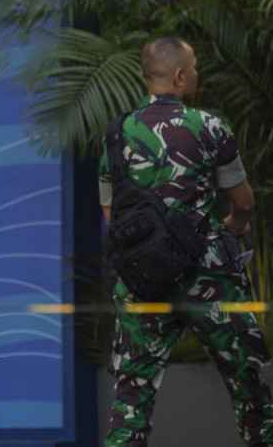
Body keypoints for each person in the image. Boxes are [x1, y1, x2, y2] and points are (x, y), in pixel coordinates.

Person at [99, 35, 273, 446]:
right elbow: (243, 200)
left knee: (131, 401)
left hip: (143, 284)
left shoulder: (117, 135)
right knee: (249, 387)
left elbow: (112, 214)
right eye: (193, 68)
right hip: (209, 279)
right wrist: (235, 224)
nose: (196, 74)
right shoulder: (209, 127)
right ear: (179, 77)